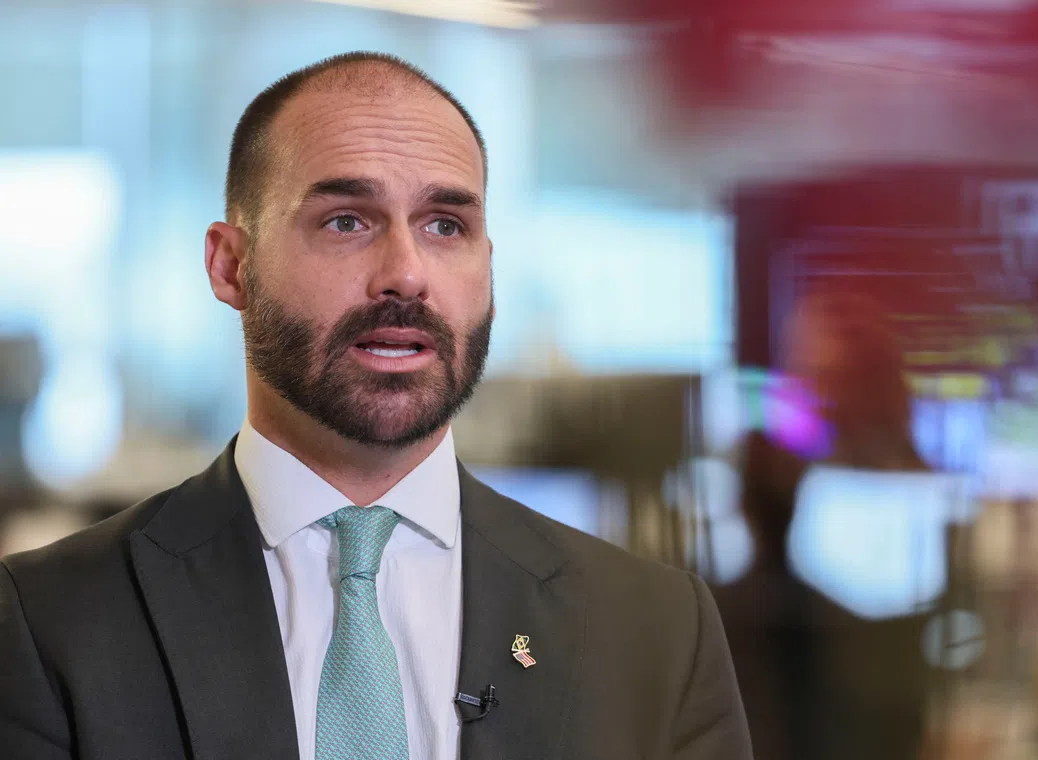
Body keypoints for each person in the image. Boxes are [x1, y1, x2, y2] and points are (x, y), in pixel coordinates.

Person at [0, 53, 751, 760]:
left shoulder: (654, 630)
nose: (405, 274)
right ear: (231, 265)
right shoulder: (50, 622)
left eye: (445, 226)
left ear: (488, 269)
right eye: (347, 221)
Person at [716, 289, 955, 760]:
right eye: (809, 374)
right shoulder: (782, 465)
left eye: (837, 379)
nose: (819, 396)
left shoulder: (908, 494)